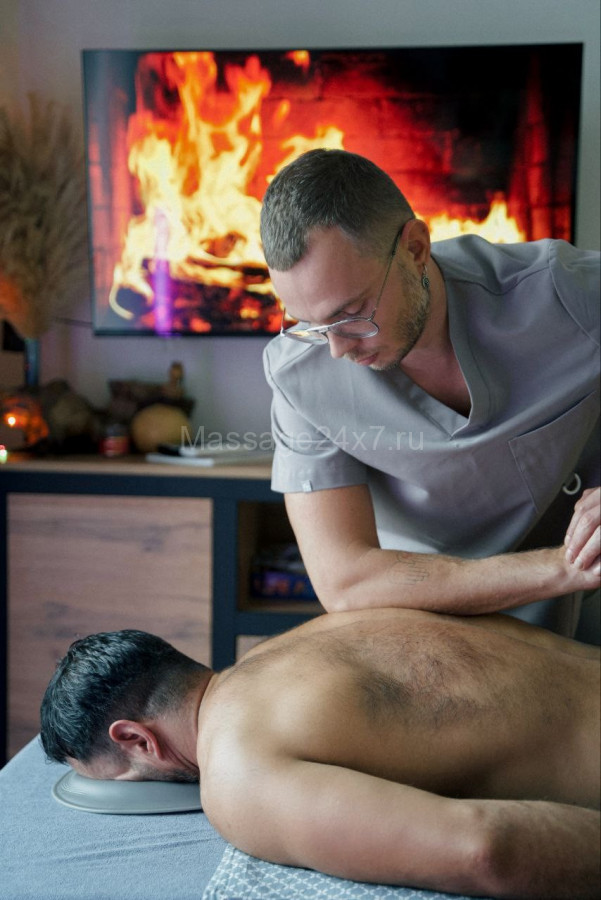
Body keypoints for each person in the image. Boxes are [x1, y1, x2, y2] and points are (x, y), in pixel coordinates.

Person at [260, 149, 600, 635]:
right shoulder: (298, 375)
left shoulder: (564, 293)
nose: (336, 349)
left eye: (351, 314)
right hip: (421, 618)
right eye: (309, 325)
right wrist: (566, 567)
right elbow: (345, 582)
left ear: (416, 248)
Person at [41, 611, 599, 898]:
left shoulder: (235, 775)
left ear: (137, 739)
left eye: (125, 777)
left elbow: (484, 850)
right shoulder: (309, 635)